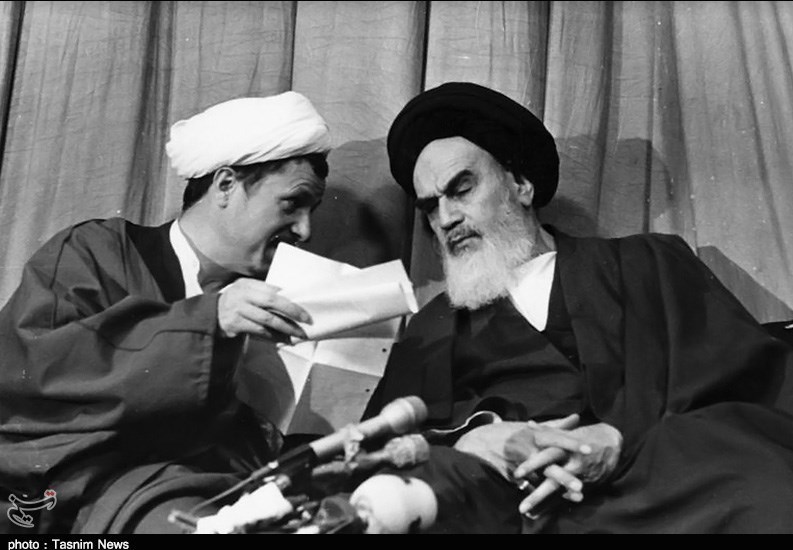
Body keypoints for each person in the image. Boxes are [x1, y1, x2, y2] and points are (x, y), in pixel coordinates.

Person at [362, 82, 793, 533]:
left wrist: (617, 438)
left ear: (521, 185)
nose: (447, 218)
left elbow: (751, 382)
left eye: (462, 189)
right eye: (431, 208)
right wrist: (472, 440)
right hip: (517, 504)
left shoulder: (646, 262)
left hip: (658, 477)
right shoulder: (432, 327)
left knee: (763, 484)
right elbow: (382, 448)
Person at [0, 91, 332, 533]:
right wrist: (209, 322)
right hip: (96, 504)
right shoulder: (94, 254)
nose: (306, 230)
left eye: (312, 212)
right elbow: (34, 375)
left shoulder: (277, 302)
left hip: (236, 500)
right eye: (292, 203)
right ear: (226, 185)